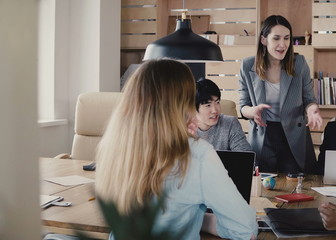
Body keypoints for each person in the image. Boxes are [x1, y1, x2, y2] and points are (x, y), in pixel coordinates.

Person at [95, 59, 257, 240]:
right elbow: (246, 230)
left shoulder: (114, 146)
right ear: (183, 104)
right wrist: (202, 219)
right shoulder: (197, 153)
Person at [239, 15, 322, 174]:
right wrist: (253, 111)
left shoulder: (299, 63)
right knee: (264, 186)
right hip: (264, 134)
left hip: (294, 134)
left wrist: (312, 110)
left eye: (286, 38)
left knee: (295, 186)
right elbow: (243, 106)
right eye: (276, 38)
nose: (282, 44)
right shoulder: (247, 65)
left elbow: (309, 99)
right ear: (264, 40)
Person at [195, 78, 252, 151]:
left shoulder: (230, 123)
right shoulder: (181, 128)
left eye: (217, 102)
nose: (215, 110)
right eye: (208, 105)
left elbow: (246, 158)